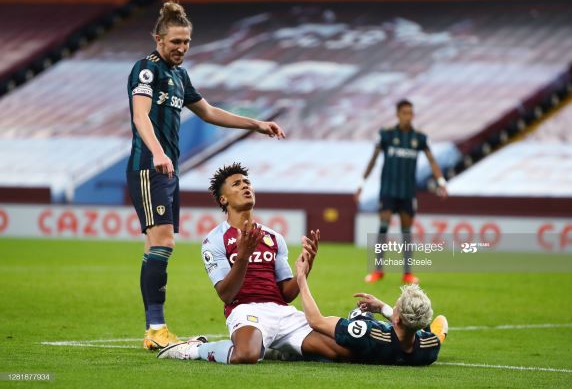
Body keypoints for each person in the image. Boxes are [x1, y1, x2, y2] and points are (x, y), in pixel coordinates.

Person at [126, 1, 286, 351]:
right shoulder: (146, 71)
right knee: (163, 241)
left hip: (168, 170)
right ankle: (156, 328)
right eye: (175, 42)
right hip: (149, 167)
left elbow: (209, 111)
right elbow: (140, 117)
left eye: (186, 42)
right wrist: (157, 152)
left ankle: (155, 327)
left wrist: (255, 124)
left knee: (156, 246)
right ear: (158, 38)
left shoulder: (180, 76)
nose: (181, 48)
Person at [157, 163, 352, 363]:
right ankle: (195, 349)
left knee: (341, 352)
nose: (245, 186)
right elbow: (226, 294)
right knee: (245, 355)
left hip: (281, 312)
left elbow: (286, 294)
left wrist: (305, 269)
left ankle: (272, 349)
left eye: (247, 182)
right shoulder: (214, 240)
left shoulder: (273, 237)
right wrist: (243, 256)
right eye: (236, 184)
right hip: (245, 309)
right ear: (224, 199)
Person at [295, 239, 448, 366]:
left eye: (396, 306)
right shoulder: (431, 347)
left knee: (359, 314)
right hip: (396, 340)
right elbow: (421, 333)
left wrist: (301, 278)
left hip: (356, 347)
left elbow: (316, 321)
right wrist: (382, 308)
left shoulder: (369, 333)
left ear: (397, 319)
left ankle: (283, 351)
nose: (393, 307)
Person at [355, 99, 447, 284]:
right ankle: (378, 270)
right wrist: (361, 184)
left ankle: (407, 273)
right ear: (397, 114)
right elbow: (373, 159)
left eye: (410, 113)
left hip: (407, 192)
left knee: (406, 231)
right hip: (388, 190)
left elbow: (432, 161)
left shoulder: (419, 138)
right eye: (404, 113)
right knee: (383, 226)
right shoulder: (387, 135)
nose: (408, 116)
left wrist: (441, 181)